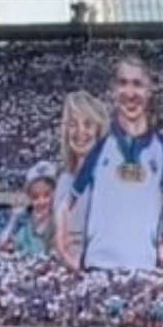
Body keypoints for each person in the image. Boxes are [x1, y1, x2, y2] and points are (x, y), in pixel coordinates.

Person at [66, 56, 163, 271]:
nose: (129, 92)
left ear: (149, 90)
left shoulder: (161, 147)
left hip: (145, 266)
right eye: (123, 83)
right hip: (97, 266)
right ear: (113, 89)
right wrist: (65, 251)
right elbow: (69, 200)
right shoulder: (100, 146)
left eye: (137, 84)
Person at [54, 92, 109, 270]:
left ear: (99, 131)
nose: (80, 132)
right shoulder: (64, 181)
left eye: (87, 124)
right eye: (72, 124)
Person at [0, 162, 58, 259]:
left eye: (46, 195)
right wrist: (14, 217)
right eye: (36, 197)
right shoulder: (27, 228)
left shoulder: (60, 222)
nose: (41, 201)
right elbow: (2, 245)